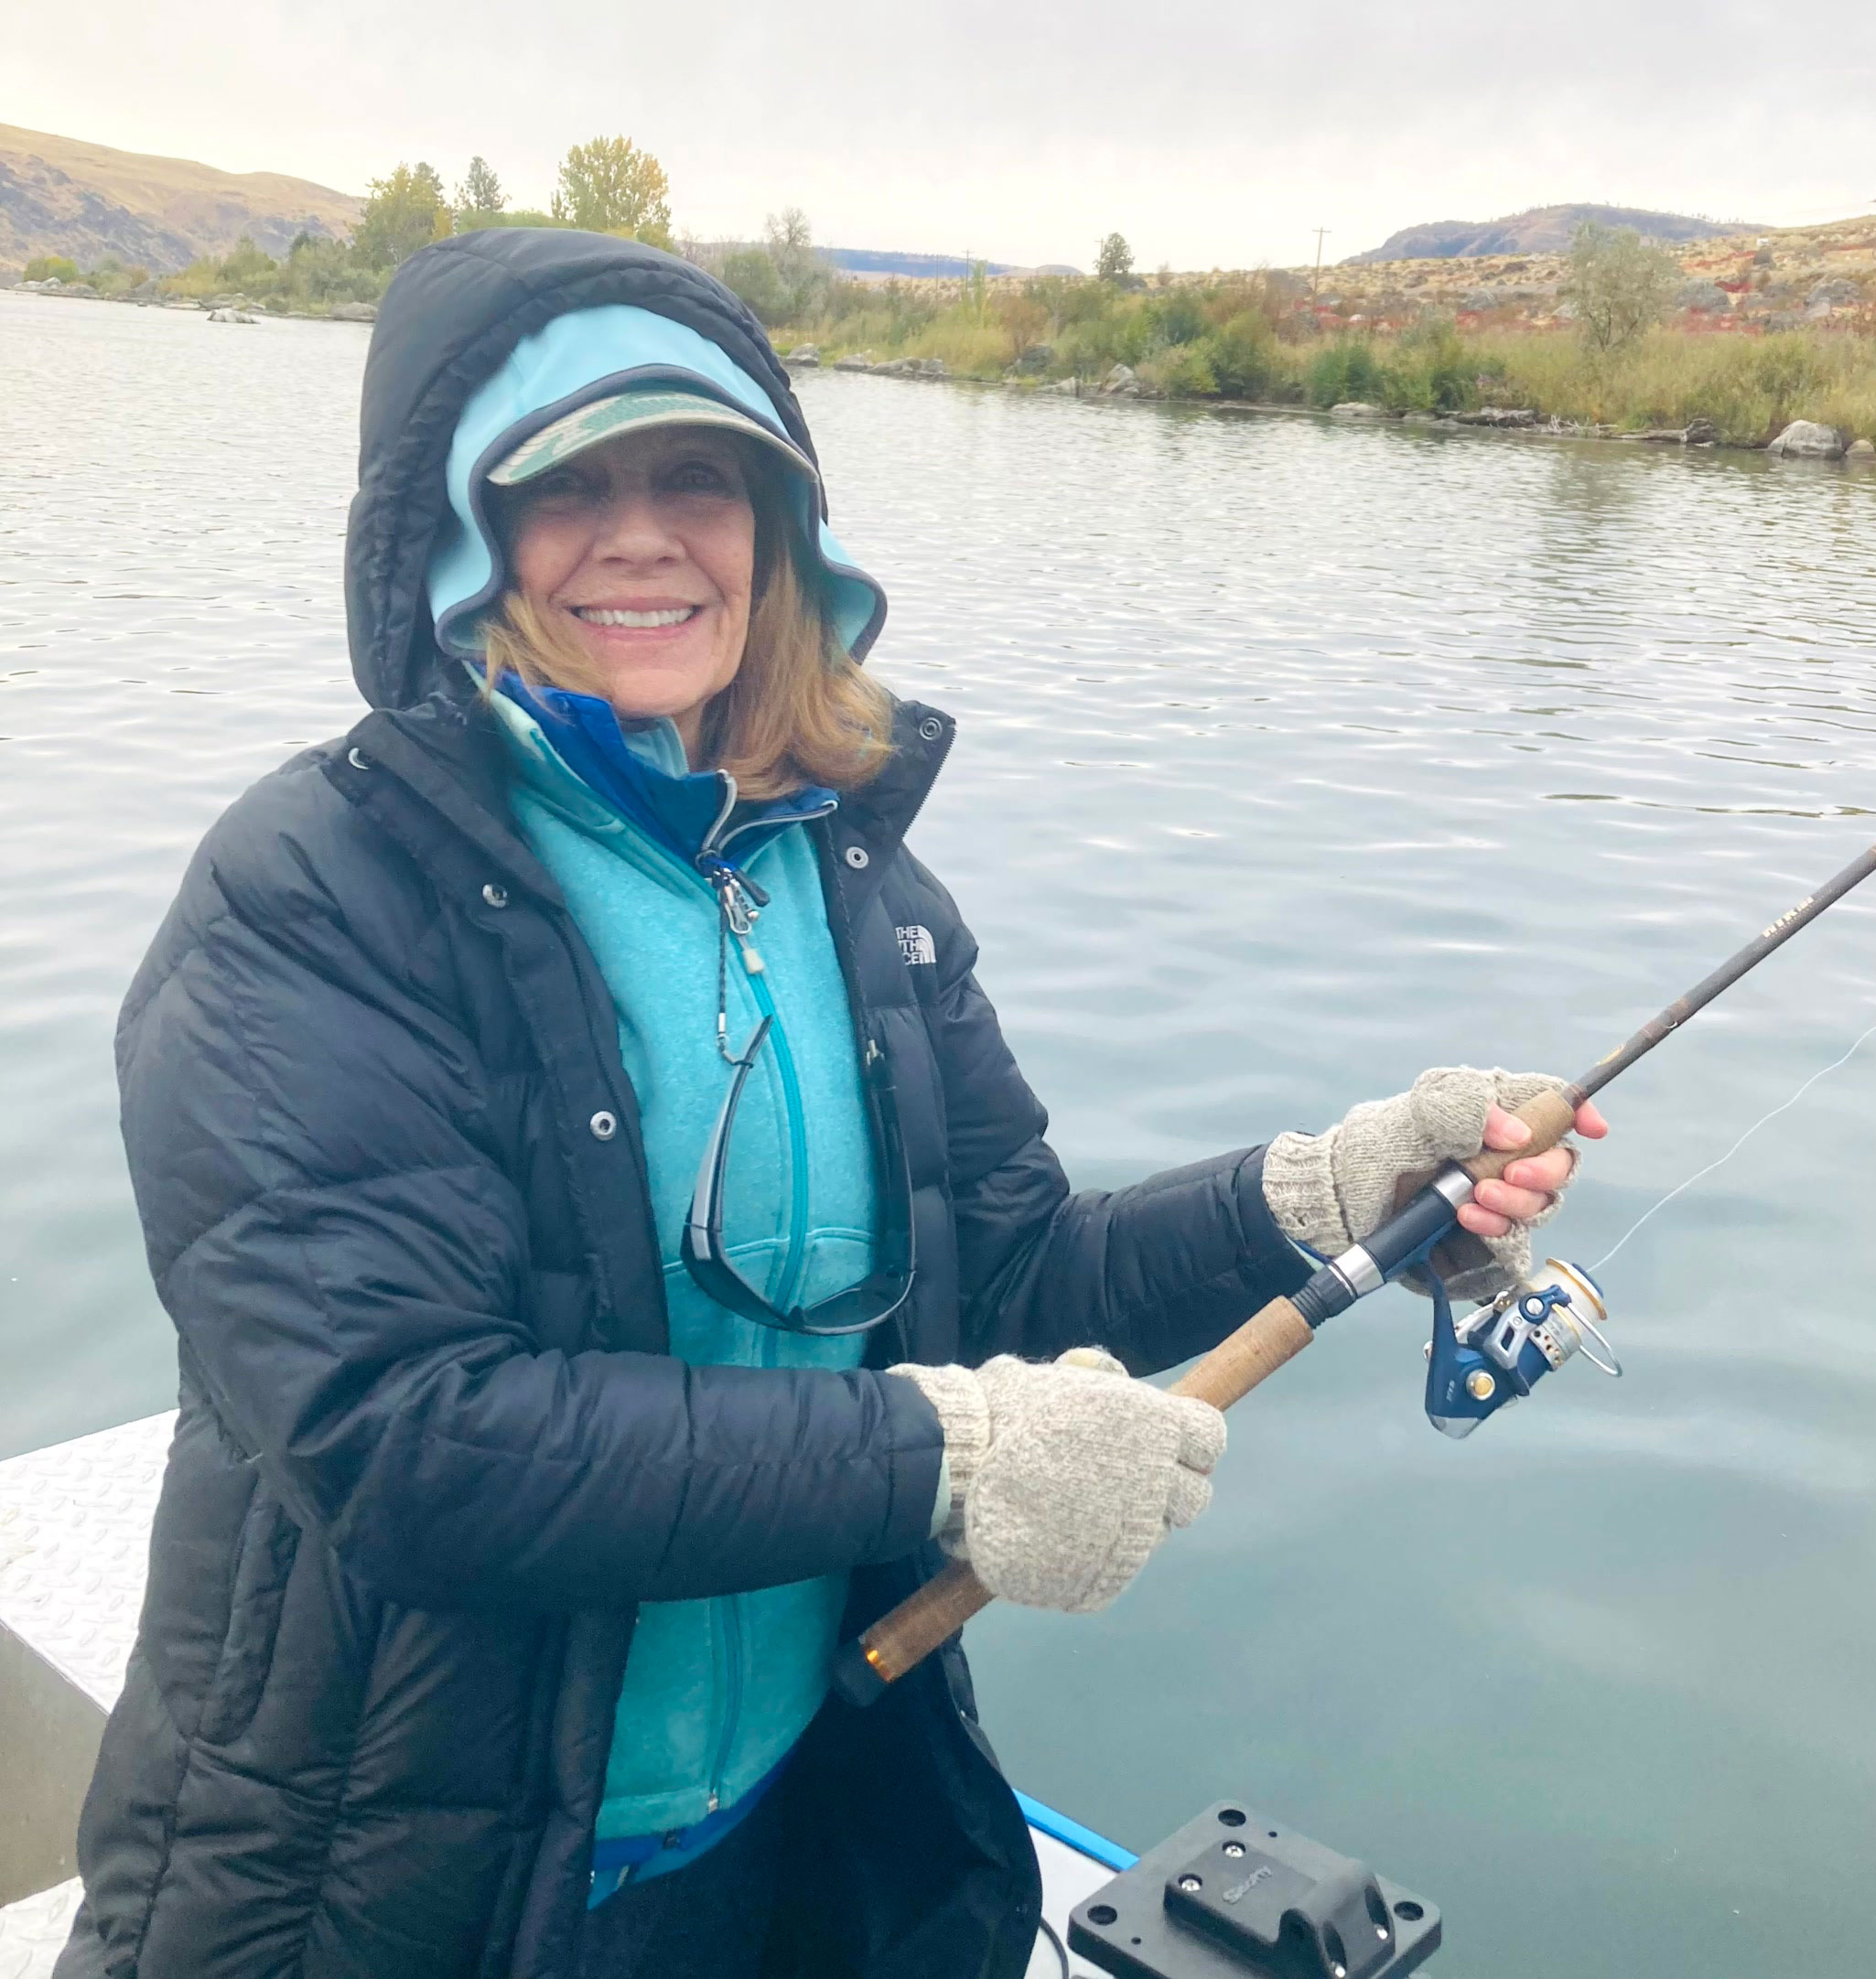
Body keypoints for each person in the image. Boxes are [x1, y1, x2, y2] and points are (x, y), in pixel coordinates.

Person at [58, 229, 1604, 1979]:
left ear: (779, 537)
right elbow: (407, 1439)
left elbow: (1009, 1275)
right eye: (569, 481)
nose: (643, 534)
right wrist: (947, 1455)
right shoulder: (309, 896)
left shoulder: (855, 883)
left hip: (799, 1826)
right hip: (400, 1879)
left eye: (700, 479)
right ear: (462, 534)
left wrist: (1321, 1196)